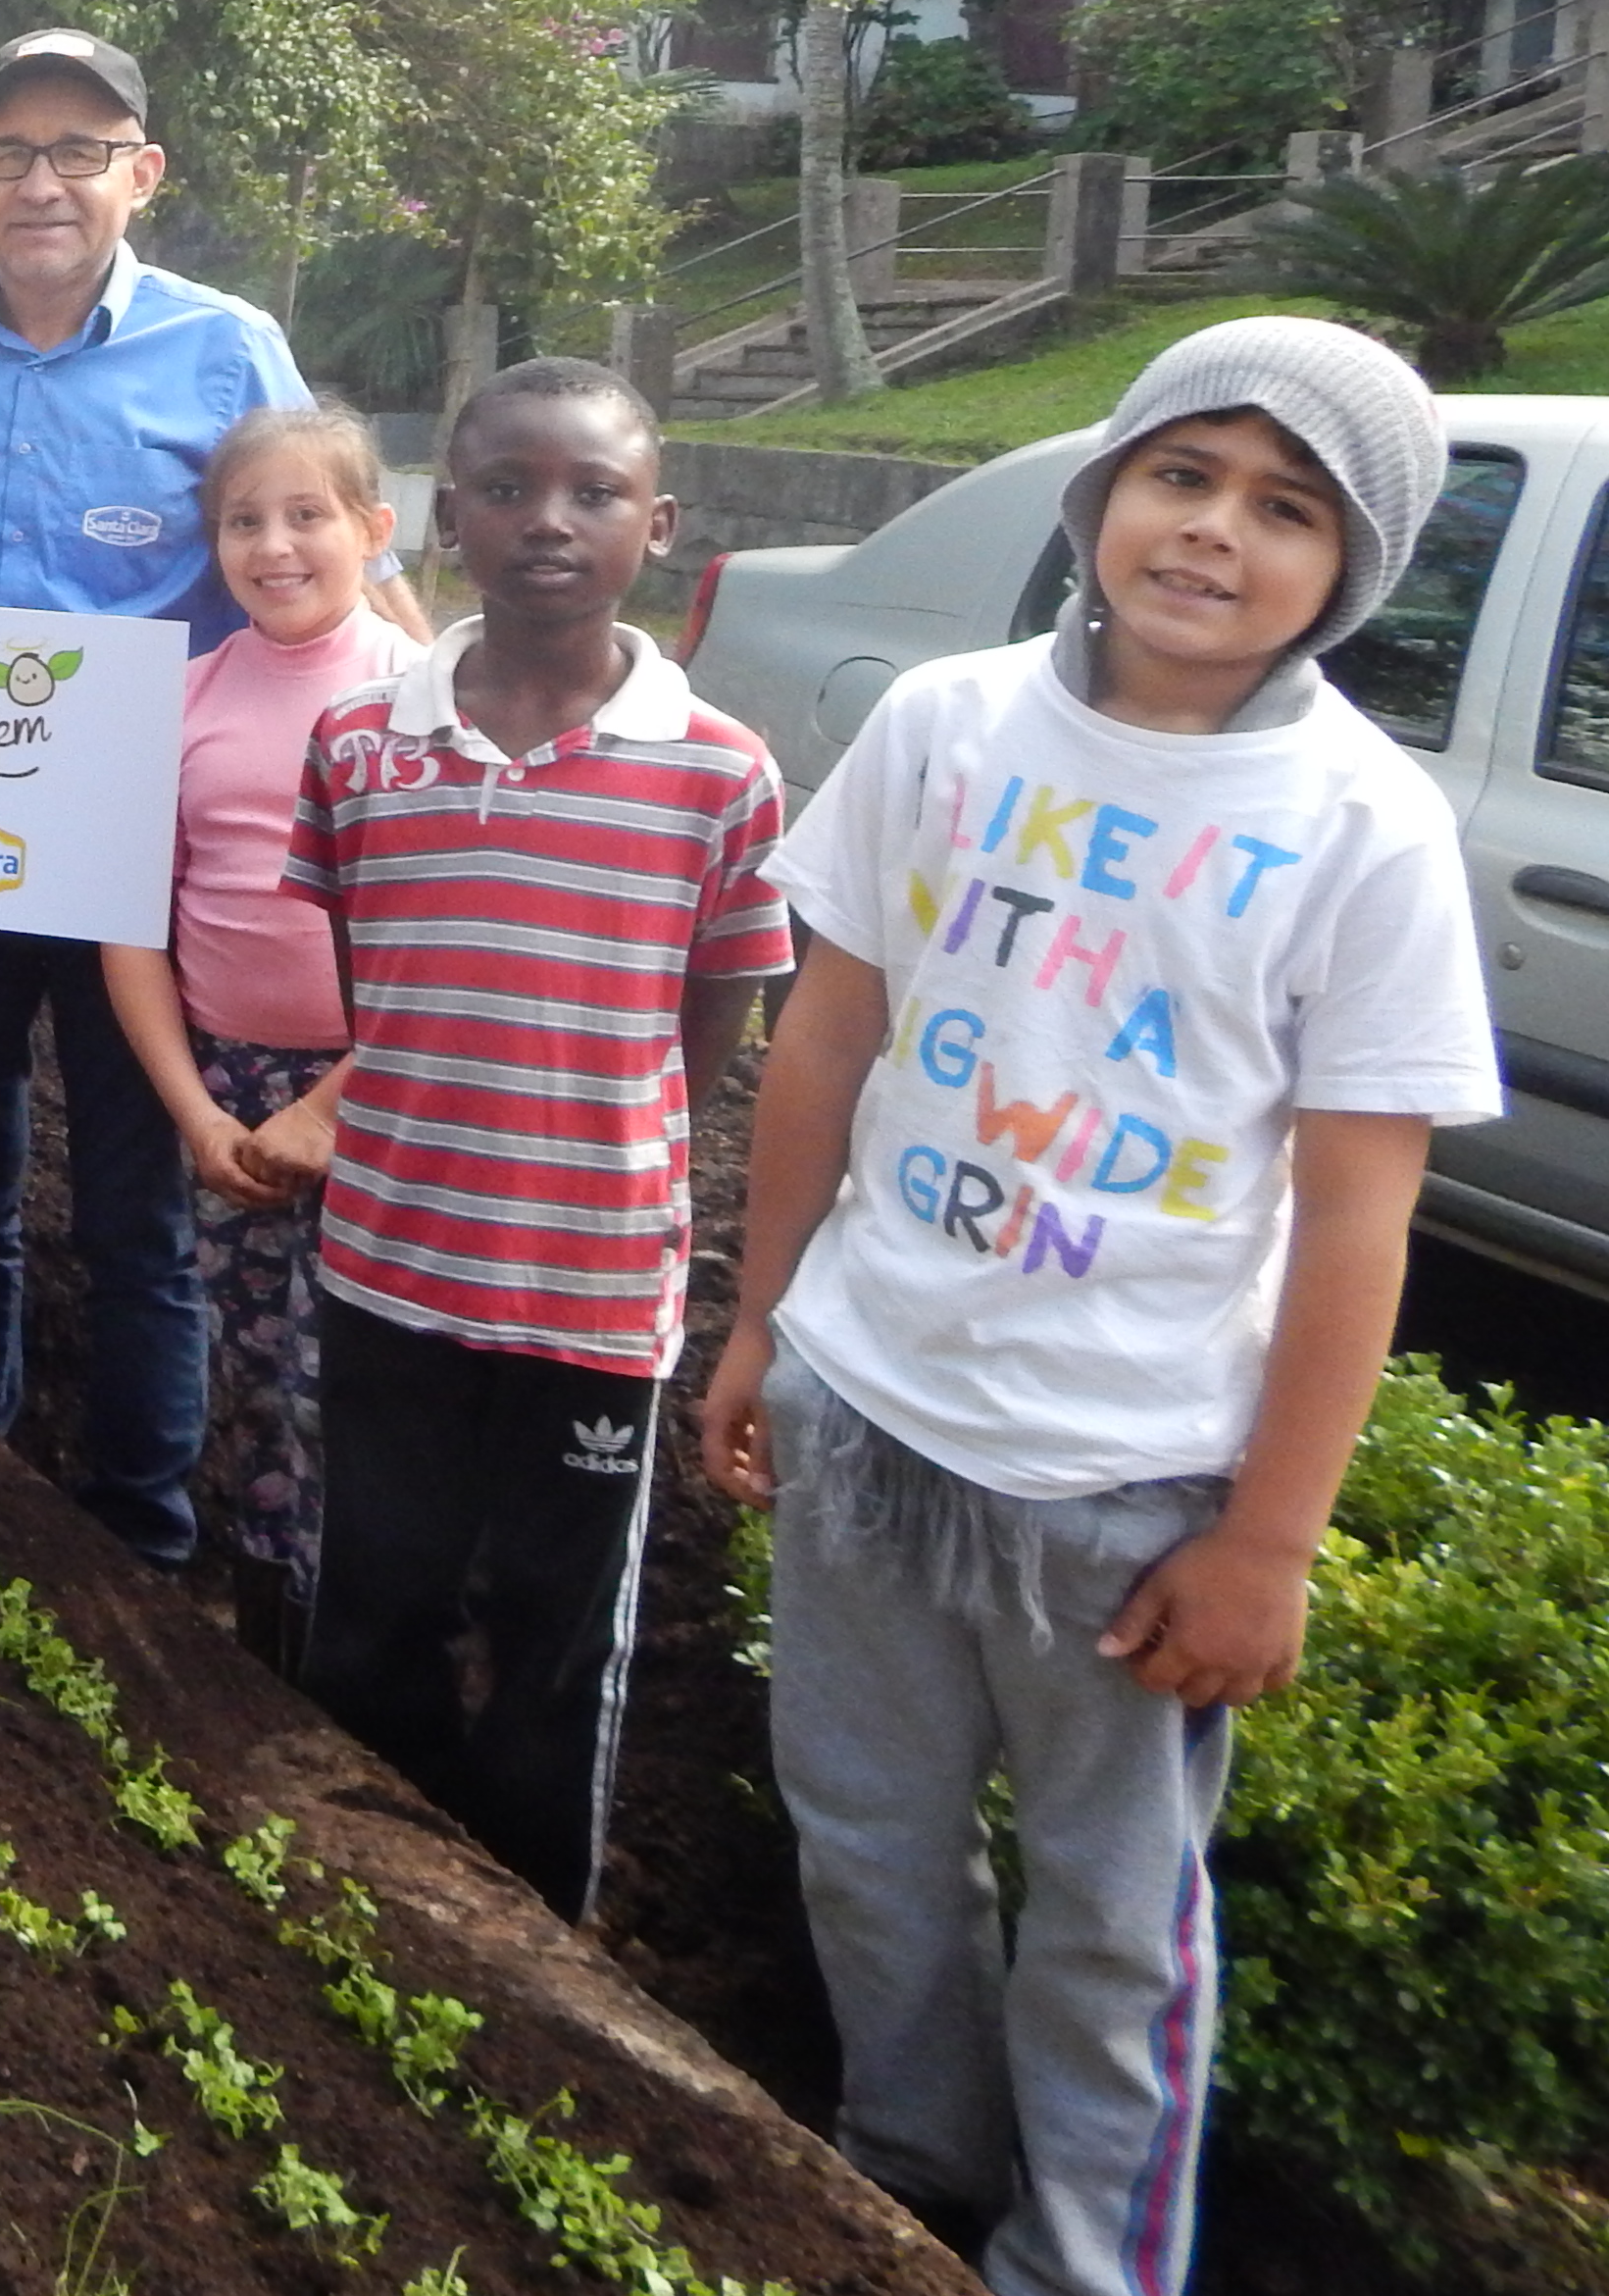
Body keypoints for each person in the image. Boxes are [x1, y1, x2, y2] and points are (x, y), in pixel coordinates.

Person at [699, 319, 1492, 2296]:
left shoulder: (1364, 826)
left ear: (1352, 568)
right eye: (1183, 475)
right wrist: (758, 1323)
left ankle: (1079, 2260)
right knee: (865, 1848)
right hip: (869, 1411)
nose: (1215, 533)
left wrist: (1271, 1543)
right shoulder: (947, 726)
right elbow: (825, 1046)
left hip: (1123, 1494)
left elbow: (1357, 1217)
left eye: (1287, 508)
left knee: (1112, 1926)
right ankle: (898, 2176)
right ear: (1102, 491)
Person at [0, 27, 415, 1559]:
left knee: (139, 1208)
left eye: (78, 152)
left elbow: (327, 551)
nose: (42, 183)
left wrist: (427, 732)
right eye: (9, 154)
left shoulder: (225, 347)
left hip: (145, 861)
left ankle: (137, 1532)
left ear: (140, 174)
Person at [280, 357, 789, 1923]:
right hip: (389, 1265)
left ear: (662, 523)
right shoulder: (363, 751)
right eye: (507, 489)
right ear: (448, 518)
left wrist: (597, 1146)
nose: (548, 522)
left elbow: (713, 1022)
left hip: (589, 1301)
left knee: (561, 1638)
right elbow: (380, 985)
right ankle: (367, 1898)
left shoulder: (723, 773)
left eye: (594, 492)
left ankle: (530, 1938)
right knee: (373, 1601)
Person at [96, 401, 412, 1673]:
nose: (275, 547)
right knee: (251, 1365)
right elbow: (131, 928)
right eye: (244, 522)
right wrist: (198, 1114)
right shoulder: (185, 701)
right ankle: (268, 1625)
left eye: (307, 516)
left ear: (373, 532)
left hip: (383, 1096)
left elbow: (450, 944)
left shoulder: (421, 700)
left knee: (349, 1378)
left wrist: (332, 1103)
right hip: (227, 1092)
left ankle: (364, 1641)